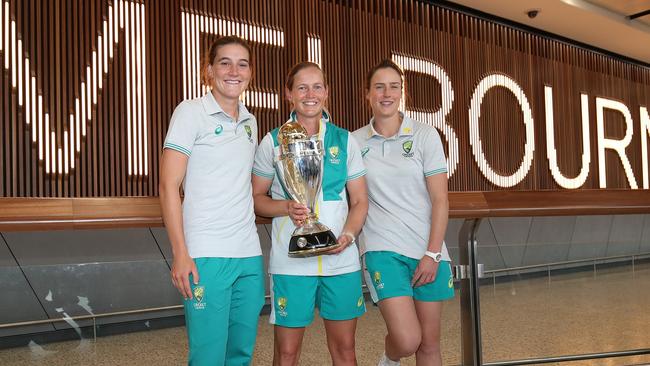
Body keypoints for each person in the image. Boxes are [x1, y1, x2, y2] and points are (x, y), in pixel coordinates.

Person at [252, 62, 368, 366]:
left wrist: (349, 235)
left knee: (345, 350)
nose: (310, 94)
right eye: (301, 87)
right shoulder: (273, 140)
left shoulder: (344, 141)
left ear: (327, 93)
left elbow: (360, 202)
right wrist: (285, 207)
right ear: (289, 93)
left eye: (317, 86)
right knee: (287, 354)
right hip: (292, 262)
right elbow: (256, 199)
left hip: (340, 261)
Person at [159, 36, 264, 366]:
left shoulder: (250, 121)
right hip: (206, 257)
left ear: (250, 73)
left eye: (242, 64)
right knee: (207, 358)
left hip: (249, 254)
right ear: (209, 71)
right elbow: (167, 185)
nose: (234, 71)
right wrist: (180, 254)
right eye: (225, 62)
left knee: (240, 356)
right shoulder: (190, 112)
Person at [352, 59, 454, 366]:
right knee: (408, 339)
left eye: (393, 87)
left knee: (429, 344)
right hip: (382, 249)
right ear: (366, 94)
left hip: (427, 250)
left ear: (402, 93)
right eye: (379, 87)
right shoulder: (354, 142)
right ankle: (389, 357)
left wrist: (433, 253)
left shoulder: (425, 135)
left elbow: (440, 199)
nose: (386, 93)